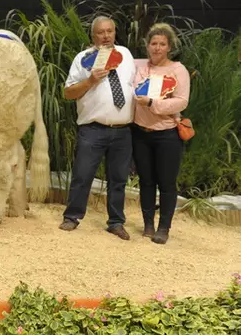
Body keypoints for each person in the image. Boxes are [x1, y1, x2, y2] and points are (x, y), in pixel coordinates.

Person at [59, 16, 136, 240]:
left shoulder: (126, 55)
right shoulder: (83, 58)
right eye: (101, 32)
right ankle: (72, 217)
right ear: (93, 36)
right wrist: (90, 81)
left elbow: (134, 83)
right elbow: (68, 93)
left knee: (119, 179)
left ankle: (116, 222)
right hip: (93, 129)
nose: (106, 36)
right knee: (82, 175)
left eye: (109, 31)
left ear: (115, 33)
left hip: (122, 130)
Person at [131, 23, 190, 245]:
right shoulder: (138, 66)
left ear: (169, 47)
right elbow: (119, 58)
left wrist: (152, 104)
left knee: (166, 183)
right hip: (140, 133)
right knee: (146, 181)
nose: (157, 48)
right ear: (147, 45)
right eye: (153, 43)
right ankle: (148, 224)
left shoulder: (178, 70)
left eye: (162, 44)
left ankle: (164, 228)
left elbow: (181, 101)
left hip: (167, 135)